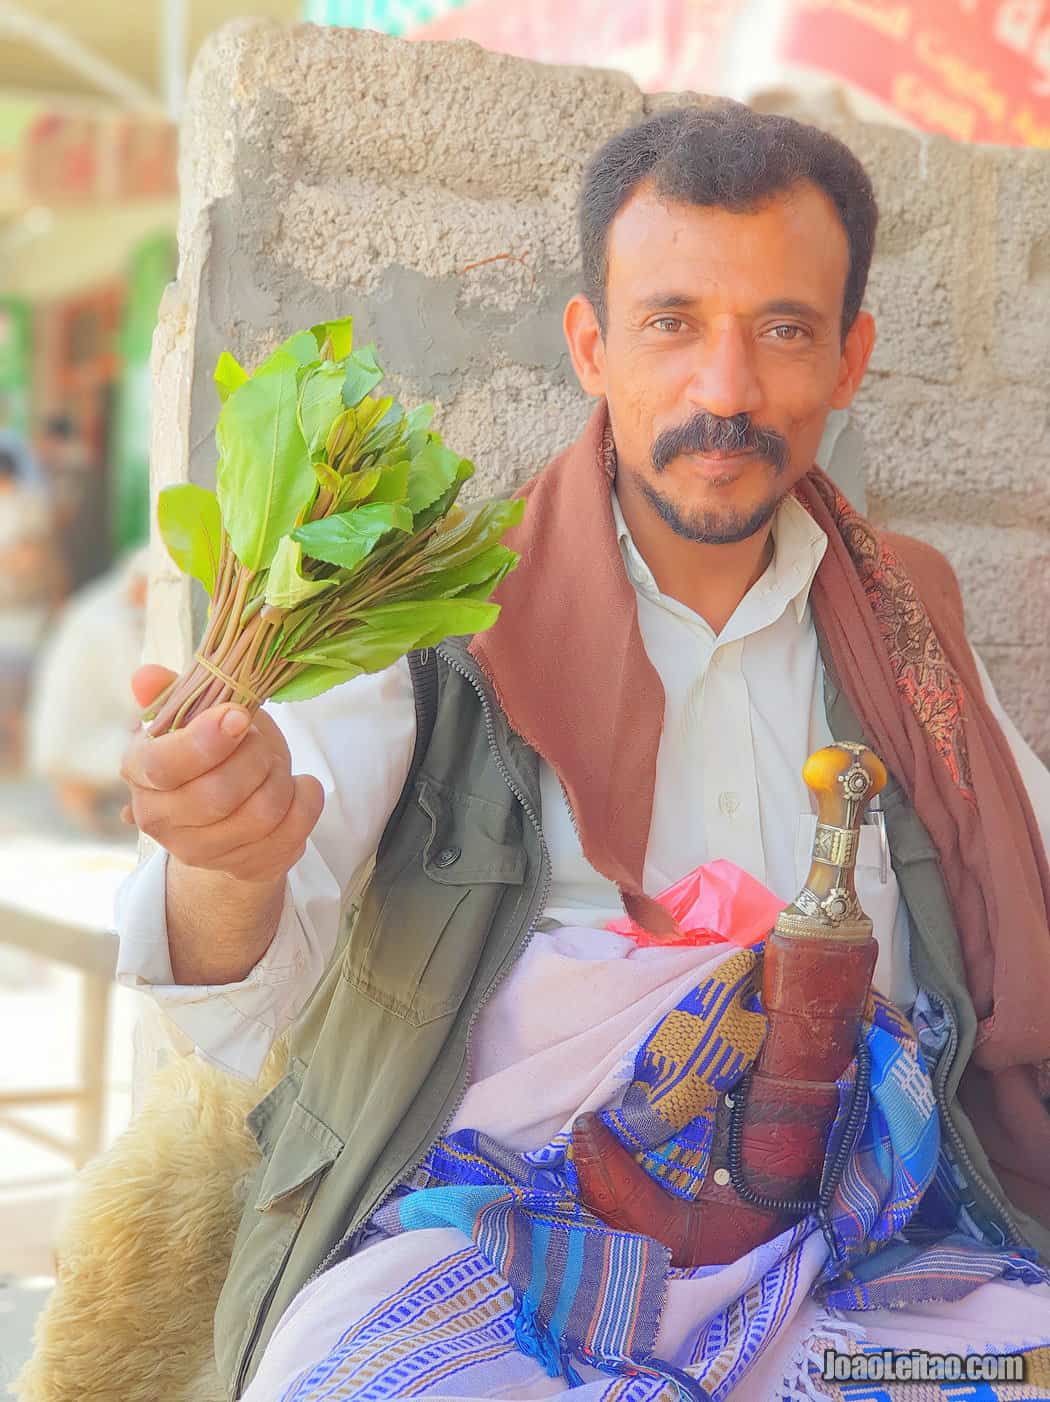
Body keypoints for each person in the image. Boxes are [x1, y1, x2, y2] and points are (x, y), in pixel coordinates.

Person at [116, 104, 1050, 1401]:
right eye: (671, 323)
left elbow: (1027, 883)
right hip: (491, 1271)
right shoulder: (446, 625)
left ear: (849, 358)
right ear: (590, 346)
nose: (722, 391)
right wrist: (225, 856)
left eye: (781, 330)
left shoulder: (906, 630)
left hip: (852, 1272)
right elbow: (234, 989)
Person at [26, 547, 148, 832]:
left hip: (64, 737)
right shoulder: (108, 622)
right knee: (157, 742)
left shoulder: (99, 604)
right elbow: (134, 697)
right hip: (72, 743)